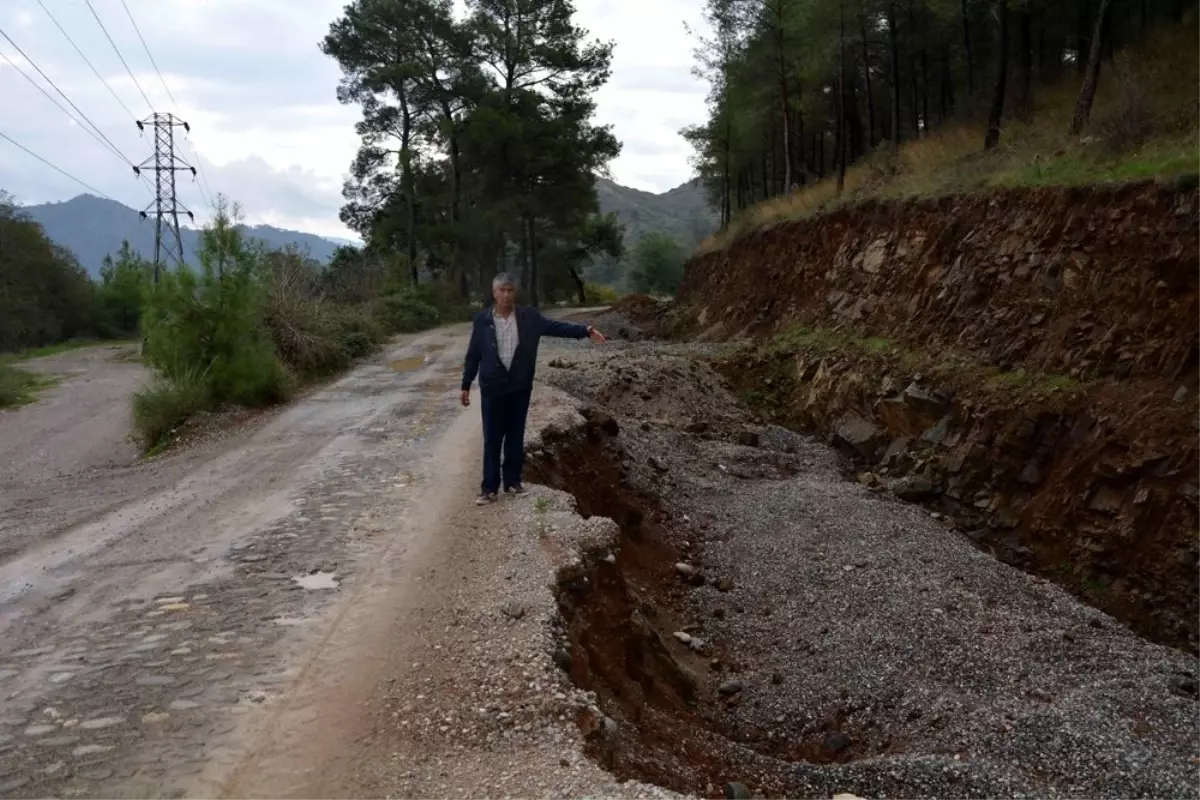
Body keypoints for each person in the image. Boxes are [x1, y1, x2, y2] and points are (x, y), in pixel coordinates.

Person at [460, 272, 607, 505]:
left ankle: (512, 482)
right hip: (493, 388)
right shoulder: (482, 320)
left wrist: (585, 331)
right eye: (502, 290)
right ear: (494, 293)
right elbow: (473, 354)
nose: (506, 295)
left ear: (514, 293)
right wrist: (466, 384)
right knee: (492, 438)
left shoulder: (530, 318)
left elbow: (557, 327)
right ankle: (489, 488)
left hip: (519, 386)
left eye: (510, 290)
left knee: (515, 436)